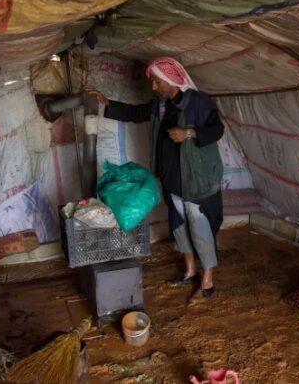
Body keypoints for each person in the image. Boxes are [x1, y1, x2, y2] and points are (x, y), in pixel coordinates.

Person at [86, 57, 224, 298]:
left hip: (197, 179)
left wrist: (189, 133)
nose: (154, 87)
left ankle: (208, 278)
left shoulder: (200, 103)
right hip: (172, 177)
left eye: (157, 82)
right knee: (179, 226)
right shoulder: (160, 105)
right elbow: (135, 112)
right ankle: (190, 270)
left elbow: (217, 129)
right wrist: (107, 103)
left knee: (200, 227)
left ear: (171, 80)